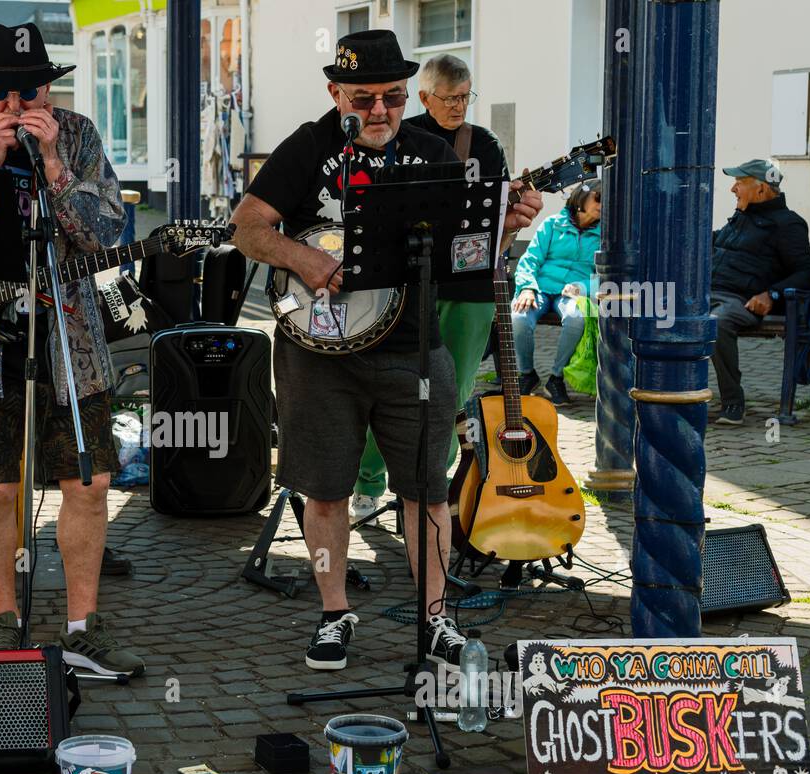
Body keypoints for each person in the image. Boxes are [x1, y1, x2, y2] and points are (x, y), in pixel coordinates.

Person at [230, 30, 541, 672]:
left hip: (413, 345)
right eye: (363, 98)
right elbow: (247, 226)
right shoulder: (309, 146)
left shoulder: (432, 153)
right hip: (315, 349)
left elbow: (462, 252)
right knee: (325, 490)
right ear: (335, 93)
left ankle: (435, 622)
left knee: (428, 490)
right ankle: (334, 614)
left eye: (393, 99)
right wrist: (304, 257)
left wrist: (500, 225)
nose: (379, 112)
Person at [0, 22, 142, 676]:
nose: (15, 107)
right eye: (0, 95)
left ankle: (81, 629)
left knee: (90, 482)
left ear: (47, 87)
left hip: (70, 338)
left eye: (28, 92)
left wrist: (54, 167)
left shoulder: (77, 135)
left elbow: (104, 233)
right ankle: (2, 620)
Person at [351, 53, 511, 520]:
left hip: (471, 288)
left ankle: (425, 496)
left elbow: (496, 225)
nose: (460, 106)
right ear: (424, 97)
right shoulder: (396, 138)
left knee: (448, 397)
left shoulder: (483, 144)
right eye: (450, 98)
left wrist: (512, 221)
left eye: (466, 97)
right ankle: (367, 482)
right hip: (403, 285)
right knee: (392, 389)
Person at [709, 159, 810, 425]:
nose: (733, 189)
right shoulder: (740, 217)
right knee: (654, 306)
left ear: (761, 190)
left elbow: (806, 272)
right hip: (706, 294)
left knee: (715, 325)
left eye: (739, 183)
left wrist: (772, 295)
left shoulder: (788, 224)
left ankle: (733, 403)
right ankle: (664, 395)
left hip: (740, 301)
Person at [509, 179, 601, 407]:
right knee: (519, 317)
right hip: (539, 288)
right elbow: (530, 260)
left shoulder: (605, 236)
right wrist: (527, 287)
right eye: (598, 198)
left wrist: (583, 287)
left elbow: (604, 275)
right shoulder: (551, 224)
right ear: (581, 198)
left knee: (576, 318)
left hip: (571, 293)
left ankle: (555, 378)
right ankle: (527, 375)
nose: (603, 205)